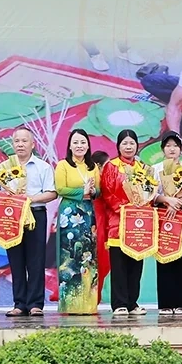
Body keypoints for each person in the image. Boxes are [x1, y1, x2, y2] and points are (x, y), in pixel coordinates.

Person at [0, 127, 57, 317]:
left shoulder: (42, 166)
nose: (20, 144)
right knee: (16, 259)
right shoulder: (4, 167)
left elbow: (52, 193)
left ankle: (36, 303)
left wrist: (29, 198)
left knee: (36, 259)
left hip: (35, 214)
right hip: (11, 216)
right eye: (17, 141)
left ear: (32, 144)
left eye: (24, 141)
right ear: (13, 144)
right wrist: (8, 196)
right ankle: (19, 303)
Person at [96, 129, 150, 316]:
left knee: (136, 262)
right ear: (118, 146)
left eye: (132, 143)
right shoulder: (112, 166)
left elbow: (149, 192)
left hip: (138, 223)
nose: (128, 147)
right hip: (118, 221)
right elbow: (107, 192)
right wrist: (123, 208)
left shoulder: (143, 168)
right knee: (119, 265)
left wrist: (143, 205)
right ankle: (119, 303)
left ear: (137, 145)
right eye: (125, 143)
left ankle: (132, 302)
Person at [55, 128, 101, 315]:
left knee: (89, 257)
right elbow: (60, 189)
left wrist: (92, 190)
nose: (79, 146)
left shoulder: (92, 167)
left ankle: (88, 305)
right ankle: (70, 304)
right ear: (70, 145)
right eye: (76, 142)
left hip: (88, 212)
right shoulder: (63, 165)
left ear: (88, 145)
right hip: (69, 213)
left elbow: (98, 191)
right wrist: (81, 191)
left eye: (83, 142)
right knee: (70, 256)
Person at [153, 132, 182, 315]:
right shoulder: (155, 169)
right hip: (164, 214)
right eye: (168, 145)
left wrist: (178, 202)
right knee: (164, 257)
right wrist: (167, 200)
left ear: (181, 149)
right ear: (163, 149)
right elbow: (151, 192)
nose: (172, 149)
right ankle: (165, 303)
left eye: (175, 145)